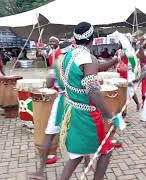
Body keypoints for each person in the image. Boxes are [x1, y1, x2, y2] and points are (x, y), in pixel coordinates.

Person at [58, 22, 124, 180]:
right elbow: (93, 90)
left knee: (76, 156)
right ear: (92, 39)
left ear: (75, 38)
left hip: (74, 112)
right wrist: (109, 115)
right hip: (88, 117)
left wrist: (115, 60)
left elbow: (96, 67)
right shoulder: (88, 58)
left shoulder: (69, 55)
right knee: (106, 150)